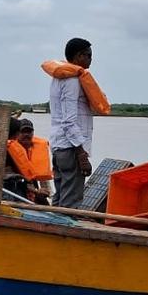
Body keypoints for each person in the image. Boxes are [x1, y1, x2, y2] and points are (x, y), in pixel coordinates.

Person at [44, 37, 99, 207]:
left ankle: (52, 230)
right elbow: (69, 121)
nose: (91, 59)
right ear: (78, 56)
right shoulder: (72, 80)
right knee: (71, 201)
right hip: (71, 148)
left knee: (60, 197)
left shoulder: (59, 78)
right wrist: (81, 154)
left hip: (59, 146)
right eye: (88, 55)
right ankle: (63, 231)